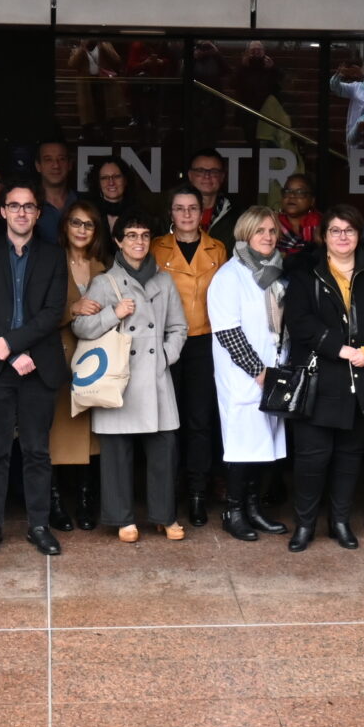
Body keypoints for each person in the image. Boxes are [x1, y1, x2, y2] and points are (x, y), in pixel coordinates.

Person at [0, 181, 67, 557]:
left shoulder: (53, 256)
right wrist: (8, 351)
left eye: (29, 206)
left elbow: (52, 313)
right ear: (4, 211)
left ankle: (38, 525)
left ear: (38, 214)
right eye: (15, 205)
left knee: (37, 451)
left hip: (38, 365)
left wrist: (16, 344)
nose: (22, 212)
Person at [282, 207, 364, 552]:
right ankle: (305, 525)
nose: (342, 237)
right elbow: (298, 323)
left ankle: (341, 523)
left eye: (349, 230)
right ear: (323, 236)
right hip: (319, 379)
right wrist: (339, 349)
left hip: (362, 381)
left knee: (349, 457)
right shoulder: (305, 274)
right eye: (335, 230)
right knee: (312, 458)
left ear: (359, 235)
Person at [78, 215, 189, 540]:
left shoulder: (164, 281)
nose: (138, 242)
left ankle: (165, 515)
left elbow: (178, 328)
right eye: (131, 235)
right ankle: (122, 517)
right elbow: (81, 327)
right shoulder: (103, 283)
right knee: (117, 450)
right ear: (118, 241)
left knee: (164, 448)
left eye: (143, 235)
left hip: (155, 375)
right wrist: (114, 313)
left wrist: (166, 356)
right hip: (119, 376)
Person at [206, 206, 292, 541]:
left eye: (272, 231)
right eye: (260, 231)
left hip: (274, 371)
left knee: (265, 447)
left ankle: (255, 509)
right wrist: (259, 372)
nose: (268, 237)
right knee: (243, 449)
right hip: (245, 376)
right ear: (245, 234)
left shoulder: (278, 272)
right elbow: (228, 332)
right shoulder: (229, 276)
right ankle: (234, 512)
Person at [153, 185, 230, 525]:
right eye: (179, 208)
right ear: (170, 213)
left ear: (202, 214)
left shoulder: (217, 249)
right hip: (166, 341)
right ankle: (168, 489)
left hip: (204, 341)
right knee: (167, 420)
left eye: (192, 209)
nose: (186, 214)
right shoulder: (156, 248)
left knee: (200, 419)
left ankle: (198, 491)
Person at [48, 200, 108, 531]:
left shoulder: (105, 265)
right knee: (57, 433)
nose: (82, 230)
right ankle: (56, 503)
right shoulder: (51, 261)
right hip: (60, 355)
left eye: (89, 224)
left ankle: (86, 501)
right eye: (76, 223)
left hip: (98, 360)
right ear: (65, 227)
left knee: (92, 434)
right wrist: (74, 308)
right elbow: (38, 311)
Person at [183, 149, 241, 244]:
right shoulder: (172, 212)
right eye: (200, 171)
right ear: (190, 176)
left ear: (222, 177)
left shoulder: (238, 216)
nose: (207, 176)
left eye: (214, 171)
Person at [33, 139, 78, 241]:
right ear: (38, 166)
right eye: (48, 159)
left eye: (61, 159)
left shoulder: (83, 202)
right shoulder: (27, 206)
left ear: (70, 164)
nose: (56, 165)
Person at [88, 156, 140, 242]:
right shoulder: (88, 213)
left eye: (116, 176)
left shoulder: (139, 213)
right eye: (104, 178)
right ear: (98, 183)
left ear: (125, 180)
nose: (111, 182)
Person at [275, 175, 320, 260]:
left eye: (300, 192)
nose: (292, 196)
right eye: (287, 191)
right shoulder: (272, 223)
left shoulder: (323, 224)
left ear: (312, 200)